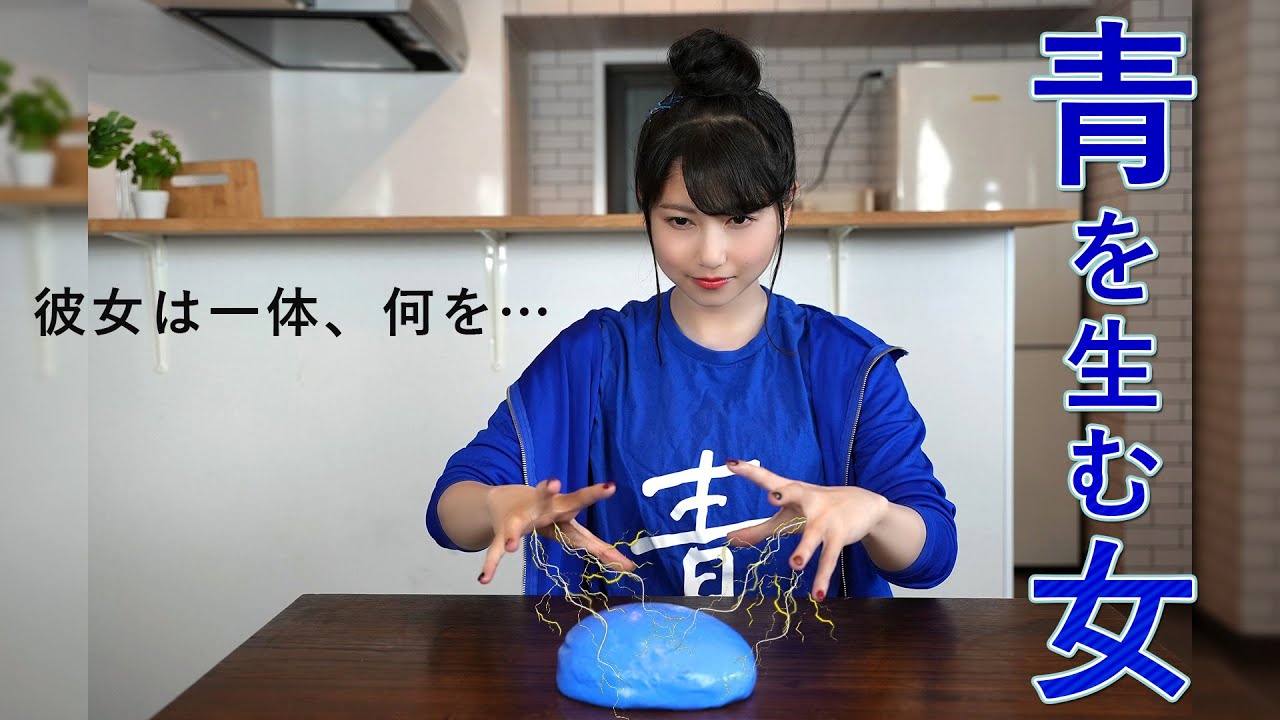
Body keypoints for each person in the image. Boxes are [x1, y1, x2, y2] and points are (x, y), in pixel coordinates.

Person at [426, 28, 956, 601]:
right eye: (680, 221)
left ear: (787, 205)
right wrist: (498, 503)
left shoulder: (846, 363)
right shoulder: (593, 355)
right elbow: (449, 511)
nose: (711, 254)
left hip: (812, 657)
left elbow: (932, 556)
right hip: (626, 654)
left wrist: (874, 513)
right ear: (646, 207)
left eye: (740, 220)